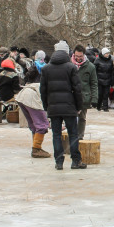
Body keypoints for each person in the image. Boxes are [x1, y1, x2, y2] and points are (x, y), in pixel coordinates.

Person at [40, 40, 86, 170]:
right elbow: (77, 89)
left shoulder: (46, 69)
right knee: (73, 134)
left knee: (56, 135)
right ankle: (76, 161)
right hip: (69, 106)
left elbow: (42, 90)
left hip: (53, 107)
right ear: (67, 52)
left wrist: (46, 106)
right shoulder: (71, 67)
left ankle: (59, 162)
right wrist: (78, 106)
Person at [15, 66, 51, 158]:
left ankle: (35, 147)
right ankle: (36, 149)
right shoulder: (46, 78)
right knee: (42, 124)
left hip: (22, 96)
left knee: (34, 124)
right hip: (31, 97)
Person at [72, 44, 98, 138]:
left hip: (84, 96)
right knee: (70, 118)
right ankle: (71, 137)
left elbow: (94, 83)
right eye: (76, 56)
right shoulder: (69, 65)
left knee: (82, 118)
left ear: (84, 55)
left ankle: (80, 137)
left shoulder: (90, 67)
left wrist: (94, 98)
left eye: (80, 56)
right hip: (71, 96)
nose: (78, 58)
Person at [94, 47, 114, 112]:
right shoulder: (97, 60)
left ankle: (105, 107)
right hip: (99, 79)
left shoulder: (110, 61)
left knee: (106, 94)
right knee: (100, 94)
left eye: (108, 53)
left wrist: (112, 80)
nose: (108, 54)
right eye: (106, 53)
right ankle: (98, 106)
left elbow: (112, 71)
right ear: (103, 54)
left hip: (107, 79)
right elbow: (94, 70)